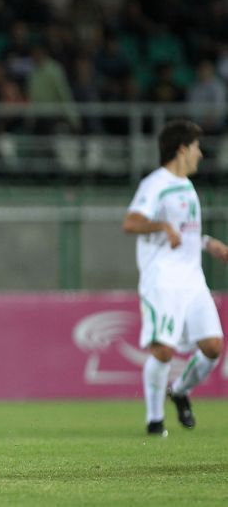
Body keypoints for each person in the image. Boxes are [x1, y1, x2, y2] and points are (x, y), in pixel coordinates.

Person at [122, 119, 227, 437]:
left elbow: (185, 231)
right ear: (182, 149)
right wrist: (162, 226)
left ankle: (179, 391)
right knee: (163, 350)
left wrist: (208, 243)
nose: (200, 154)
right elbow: (131, 222)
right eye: (196, 147)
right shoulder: (156, 183)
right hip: (163, 279)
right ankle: (155, 421)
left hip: (192, 279)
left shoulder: (186, 186)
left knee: (212, 347)